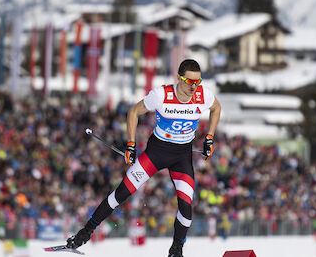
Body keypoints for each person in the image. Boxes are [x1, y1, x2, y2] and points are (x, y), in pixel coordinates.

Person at [66, 59, 221, 257]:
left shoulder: (203, 95)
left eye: (198, 82)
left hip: (182, 156)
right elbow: (133, 112)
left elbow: (216, 109)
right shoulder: (161, 94)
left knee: (186, 207)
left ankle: (176, 250)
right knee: (121, 193)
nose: (194, 87)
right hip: (157, 152)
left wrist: (209, 137)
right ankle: (83, 234)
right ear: (179, 79)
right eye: (190, 82)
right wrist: (131, 144)